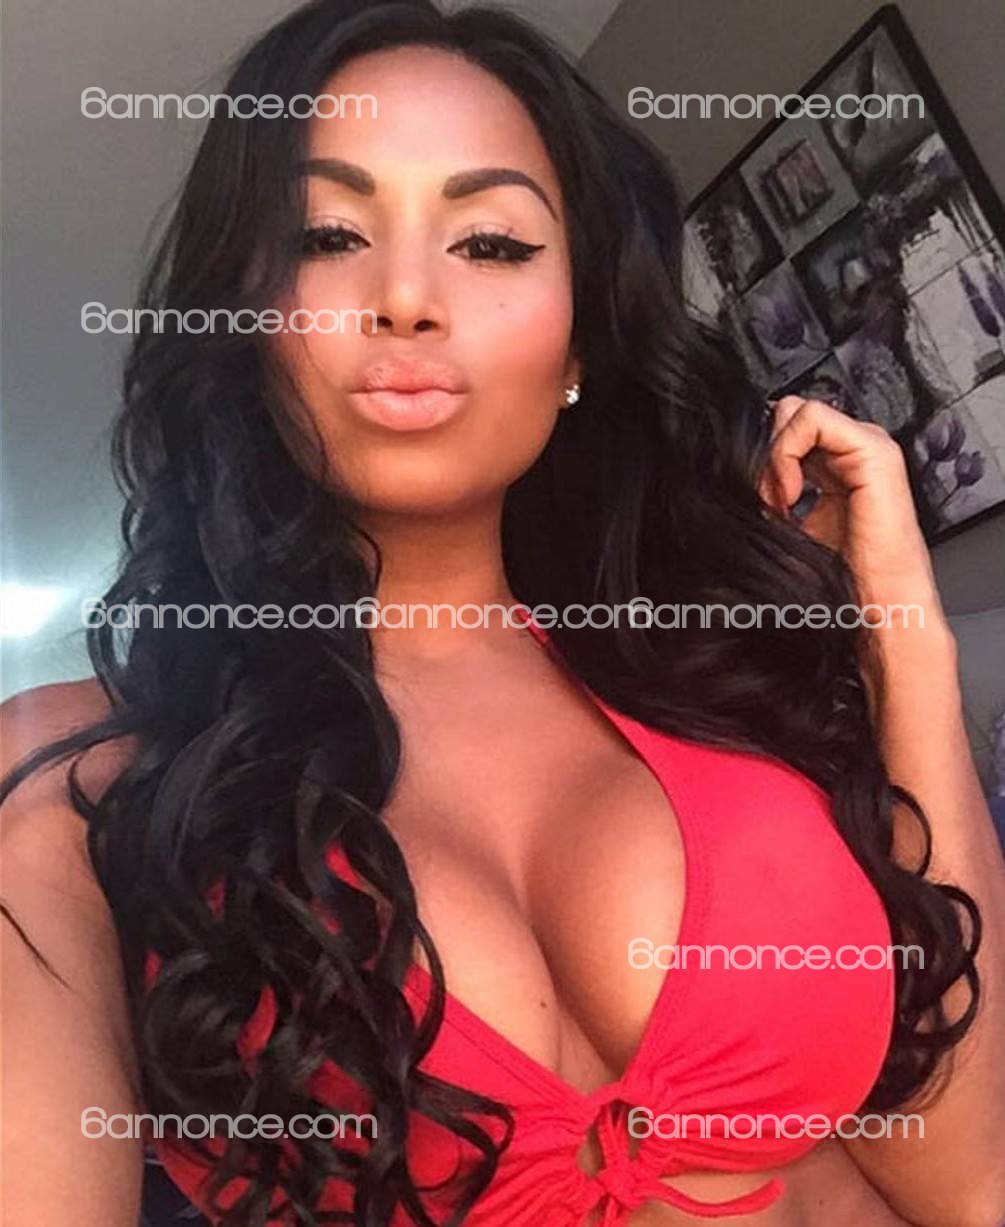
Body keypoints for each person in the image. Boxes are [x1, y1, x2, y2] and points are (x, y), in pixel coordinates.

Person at [2, 3, 1003, 1225]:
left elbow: (965, 1183)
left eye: (489, 243)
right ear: (246, 327)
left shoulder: (724, 677)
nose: (406, 298)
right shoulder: (75, 787)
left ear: (579, 343)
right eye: (328, 234)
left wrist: (900, 634)